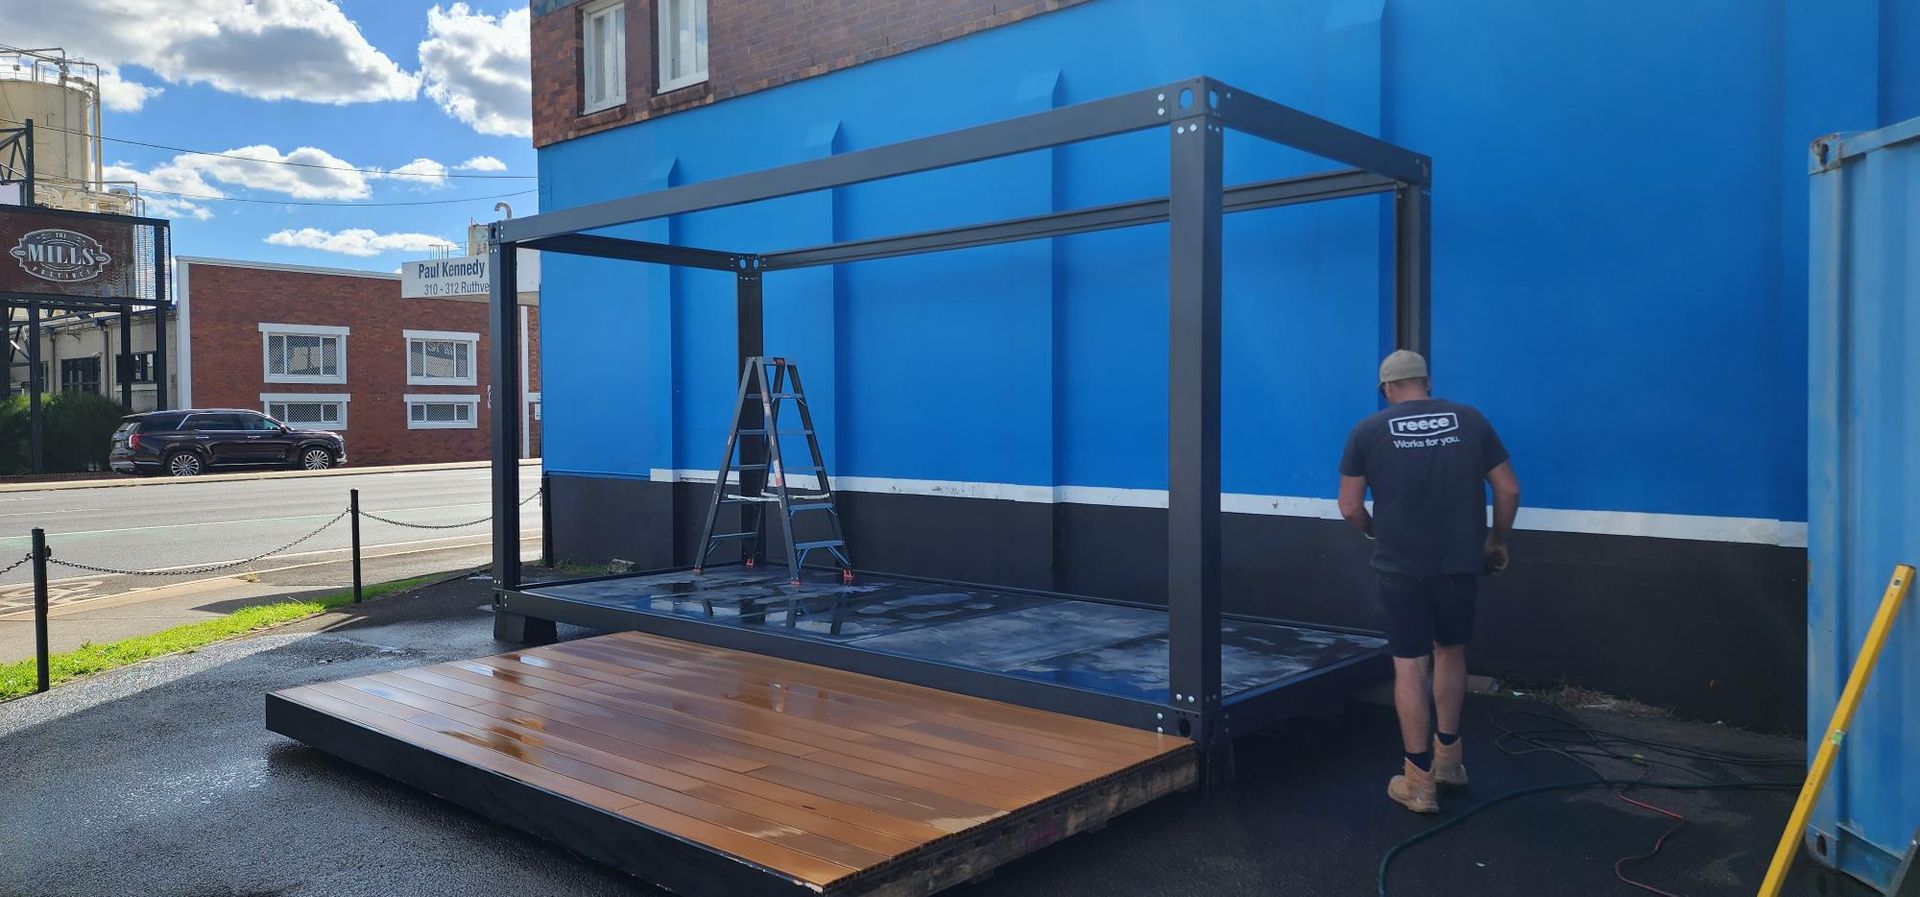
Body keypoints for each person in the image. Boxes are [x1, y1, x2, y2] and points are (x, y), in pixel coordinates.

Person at [1337, 349, 1520, 814]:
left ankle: (1418, 783)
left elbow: (1350, 507)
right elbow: (1508, 488)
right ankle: (1450, 763)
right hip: (1459, 564)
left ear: (1387, 389)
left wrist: (1374, 532)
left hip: (1400, 567)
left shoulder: (1368, 430)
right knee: (1450, 652)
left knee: (1410, 666)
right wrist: (1497, 541)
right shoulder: (1470, 420)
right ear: (1427, 381)